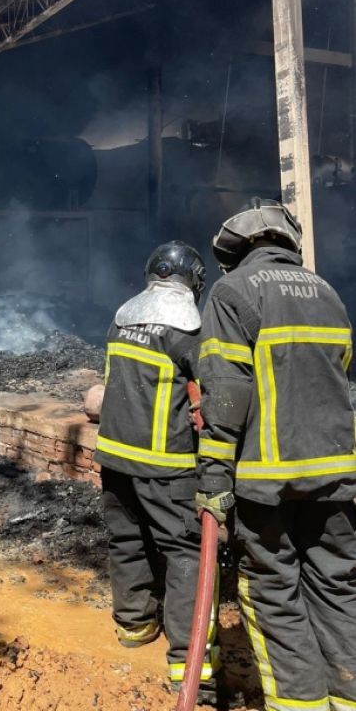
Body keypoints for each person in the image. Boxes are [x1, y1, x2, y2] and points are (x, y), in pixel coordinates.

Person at [196, 198, 356, 711]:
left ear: (237, 250)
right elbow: (339, 373)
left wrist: (214, 478)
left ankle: (300, 703)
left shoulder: (232, 290)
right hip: (337, 474)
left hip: (268, 480)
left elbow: (225, 392)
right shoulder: (328, 292)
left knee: (273, 593)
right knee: (337, 590)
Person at [95, 240, 219, 699]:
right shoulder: (188, 326)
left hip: (114, 455)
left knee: (127, 539)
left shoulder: (122, 318)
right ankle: (191, 666)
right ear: (193, 280)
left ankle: (134, 625)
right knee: (185, 552)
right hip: (165, 464)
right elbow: (214, 389)